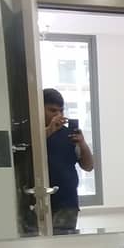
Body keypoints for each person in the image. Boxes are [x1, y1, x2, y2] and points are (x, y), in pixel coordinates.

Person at [42, 87, 94, 233]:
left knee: (64, 243)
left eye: (61, 111)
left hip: (67, 203)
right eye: (52, 110)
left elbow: (88, 166)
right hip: (39, 203)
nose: (58, 115)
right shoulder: (32, 134)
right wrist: (49, 130)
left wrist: (82, 143)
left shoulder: (69, 135)